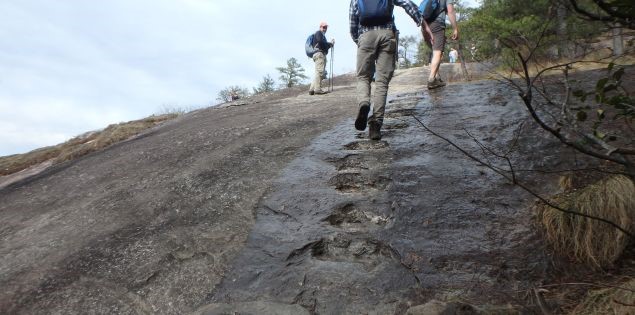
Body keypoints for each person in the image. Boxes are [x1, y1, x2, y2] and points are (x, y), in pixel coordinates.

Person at [350, 0, 430, 141]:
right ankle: (376, 125)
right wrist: (421, 21)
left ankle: (364, 103)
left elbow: (352, 22)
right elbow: (406, 3)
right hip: (387, 35)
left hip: (366, 36)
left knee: (363, 77)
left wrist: (359, 40)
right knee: (382, 81)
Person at [421, 0, 459, 89]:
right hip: (437, 24)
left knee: (435, 52)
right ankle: (431, 79)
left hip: (424, 25)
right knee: (438, 52)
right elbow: (450, 11)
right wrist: (455, 28)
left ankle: (437, 78)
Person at [309, 22, 335, 95]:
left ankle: (311, 89)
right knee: (320, 72)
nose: (325, 29)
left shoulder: (322, 36)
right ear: (320, 27)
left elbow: (324, 45)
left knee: (318, 72)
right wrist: (329, 43)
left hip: (318, 54)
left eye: (326, 27)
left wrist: (330, 44)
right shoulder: (318, 33)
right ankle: (317, 89)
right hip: (319, 54)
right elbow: (321, 42)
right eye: (323, 27)